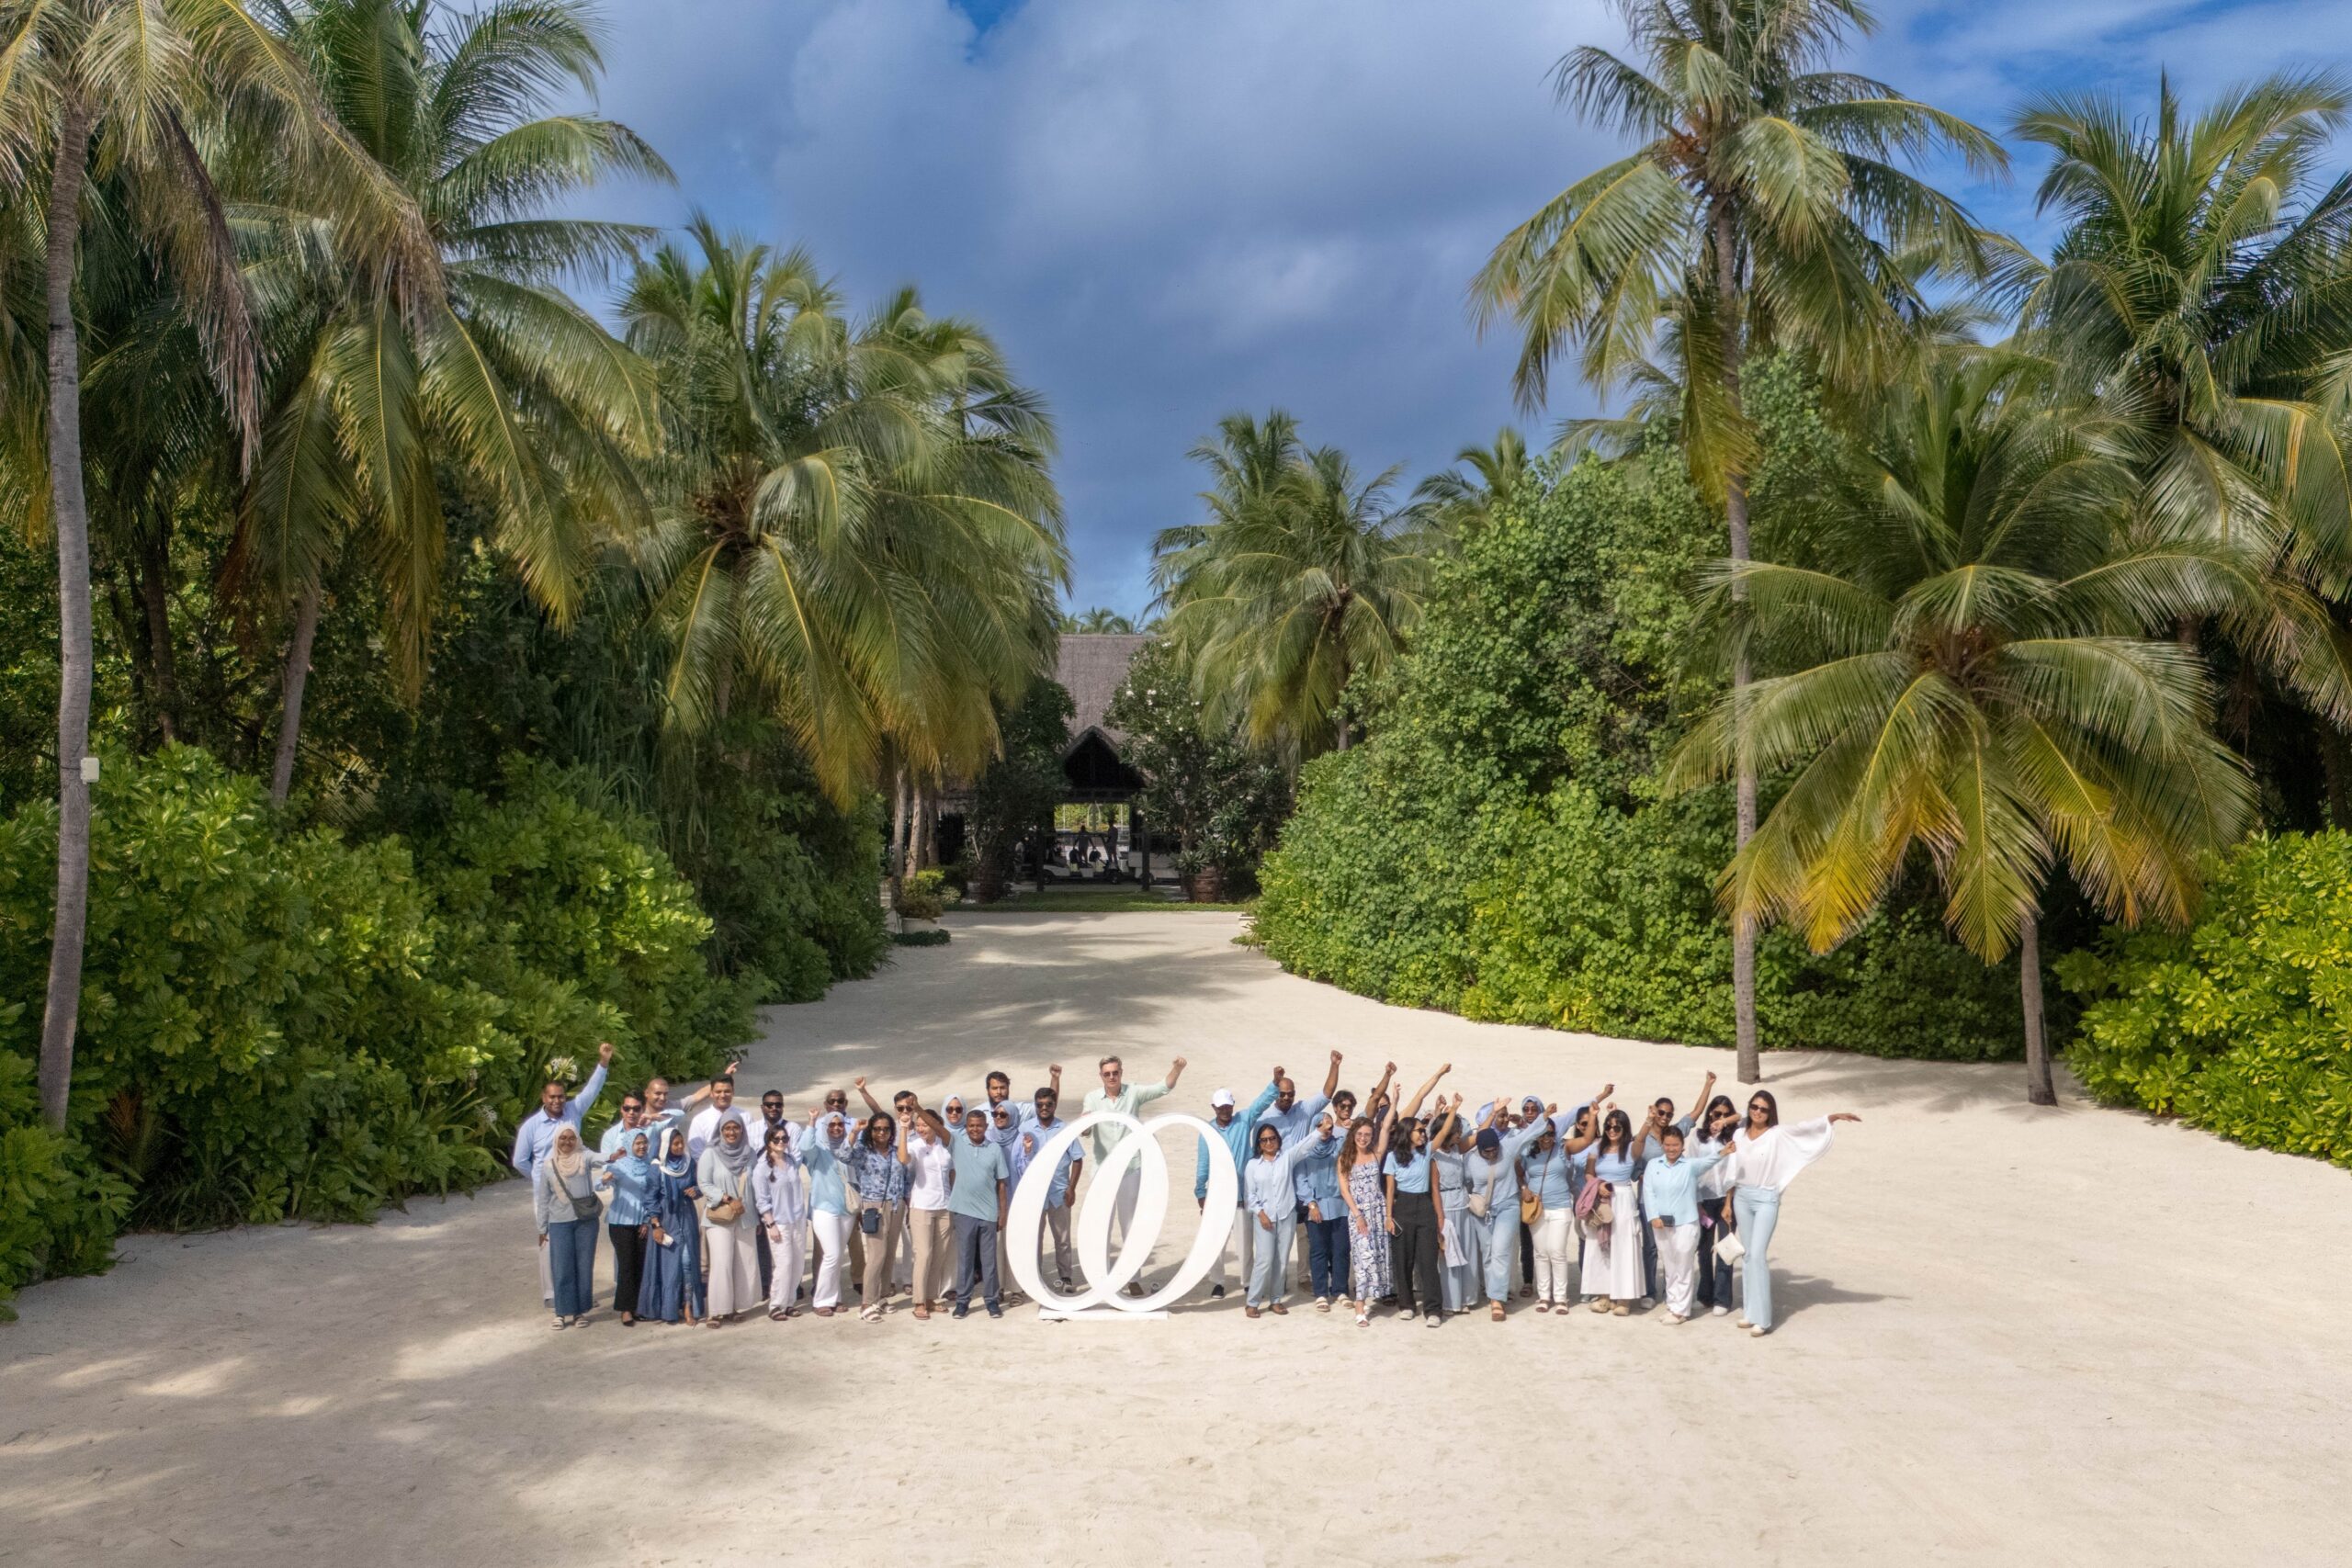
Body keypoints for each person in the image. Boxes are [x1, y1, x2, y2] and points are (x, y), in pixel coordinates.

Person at [1716, 1091, 1860, 1337]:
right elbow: (1732, 1169)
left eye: (1763, 1109)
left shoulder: (1777, 1134)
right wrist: (1728, 1202)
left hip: (1766, 1199)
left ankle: (1763, 1319)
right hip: (1741, 1197)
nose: (1758, 1112)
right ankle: (1750, 1312)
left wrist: (1831, 1118)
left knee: (1758, 1255)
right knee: (1747, 1256)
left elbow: (1804, 1129)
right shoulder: (1739, 1134)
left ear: (1770, 1112)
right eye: (1754, 1107)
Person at [512, 1041, 615, 1306]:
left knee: (578, 1244)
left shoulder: (573, 1111)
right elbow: (520, 1161)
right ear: (543, 1098)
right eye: (552, 1097)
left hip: (578, 1191)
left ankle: (579, 1295)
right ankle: (552, 1294)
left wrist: (603, 1062)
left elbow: (592, 1090)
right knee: (549, 1243)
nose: (557, 1101)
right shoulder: (532, 1127)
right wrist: (540, 1178)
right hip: (547, 1195)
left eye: (561, 1096)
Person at [1081, 1054, 1186, 1292]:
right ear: (1101, 1076)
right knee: (1101, 1226)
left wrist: (1177, 1069)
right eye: (1107, 1074)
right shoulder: (1092, 1098)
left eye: (1115, 1073)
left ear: (1121, 1072)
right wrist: (1085, 1125)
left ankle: (1132, 1278)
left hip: (1130, 1168)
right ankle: (1101, 1279)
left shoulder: (1133, 1092)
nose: (1111, 1077)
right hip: (1102, 1170)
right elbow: (1085, 1131)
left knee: (1129, 1225)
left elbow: (1163, 1087)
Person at [1462, 1095, 1553, 1321]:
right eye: (1487, 1152)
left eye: (1494, 1150)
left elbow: (1528, 1134)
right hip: (1482, 1211)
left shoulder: (1508, 1147)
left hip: (1508, 1206)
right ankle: (1493, 1290)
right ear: (1479, 1149)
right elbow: (1463, 1182)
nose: (1492, 1154)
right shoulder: (1470, 1159)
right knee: (1488, 1253)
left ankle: (1497, 1300)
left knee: (1501, 1250)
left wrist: (1545, 1116)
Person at [1196, 1072, 1282, 1299]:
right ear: (1214, 1107)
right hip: (1217, 1196)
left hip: (1241, 1196)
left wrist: (1274, 1084)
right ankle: (1217, 1281)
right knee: (1216, 1243)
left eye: (1228, 1106)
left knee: (1244, 1244)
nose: (1225, 1110)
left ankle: (1247, 1281)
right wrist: (1201, 1193)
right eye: (1221, 1107)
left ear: (1232, 1105)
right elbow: (1203, 1164)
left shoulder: (1243, 1120)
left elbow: (1260, 1104)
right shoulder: (1207, 1131)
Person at [1638, 1119, 1727, 1323]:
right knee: (1669, 1267)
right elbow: (1648, 1192)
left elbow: (1709, 1161)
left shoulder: (1689, 1165)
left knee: (1683, 1265)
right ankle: (1673, 1304)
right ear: (1662, 1144)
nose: (1671, 1149)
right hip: (1661, 1223)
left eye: (1675, 1145)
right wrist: (1653, 1216)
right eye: (1668, 1145)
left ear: (1682, 1145)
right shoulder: (1653, 1165)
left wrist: (1725, 1151)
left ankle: (1681, 1311)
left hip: (1686, 1223)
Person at [1244, 1114, 1330, 1317]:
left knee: (1282, 1260)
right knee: (1264, 1260)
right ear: (1259, 1144)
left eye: (1272, 1138)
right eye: (1264, 1140)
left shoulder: (1287, 1158)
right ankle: (1253, 1301)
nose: (1269, 1143)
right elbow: (1250, 1195)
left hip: (1286, 1215)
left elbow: (1304, 1146)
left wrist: (1320, 1130)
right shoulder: (1252, 1166)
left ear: (1278, 1139)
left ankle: (1276, 1300)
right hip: (1264, 1218)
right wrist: (1261, 1214)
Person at [1010, 1085, 1083, 1292]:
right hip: (1034, 1195)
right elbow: (1018, 1160)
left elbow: (1077, 1159)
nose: (1044, 1108)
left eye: (1048, 1104)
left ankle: (1066, 1277)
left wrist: (1072, 1188)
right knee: (1035, 1238)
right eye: (1040, 1104)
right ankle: (1036, 1278)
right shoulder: (1025, 1129)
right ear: (1035, 1105)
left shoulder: (1065, 1129)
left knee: (1063, 1239)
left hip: (1059, 1192)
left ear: (1055, 1105)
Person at [1380, 1106, 1445, 1327]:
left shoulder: (1426, 1152)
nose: (1423, 1134)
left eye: (1424, 1131)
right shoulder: (1392, 1157)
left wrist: (1454, 1108)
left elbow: (1443, 1133)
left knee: (1428, 1260)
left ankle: (1433, 1309)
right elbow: (1390, 1189)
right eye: (1419, 1130)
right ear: (1408, 1132)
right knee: (1403, 1259)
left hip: (1424, 1206)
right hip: (1403, 1207)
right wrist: (1389, 1216)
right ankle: (1406, 1305)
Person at [534, 1125, 605, 1328]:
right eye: (563, 1138)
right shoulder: (549, 1165)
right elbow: (543, 1199)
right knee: (562, 1267)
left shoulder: (584, 1157)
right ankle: (561, 1312)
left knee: (584, 1266)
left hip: (586, 1221)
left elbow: (602, 1158)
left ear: (577, 1140)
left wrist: (616, 1154)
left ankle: (580, 1312)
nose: (567, 1142)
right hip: (559, 1222)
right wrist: (542, 1228)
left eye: (571, 1138)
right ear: (556, 1140)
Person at [697, 1117, 762, 1327]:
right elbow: (703, 1183)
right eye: (727, 1128)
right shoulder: (710, 1153)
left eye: (736, 1128)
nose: (732, 1132)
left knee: (743, 1263)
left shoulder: (750, 1153)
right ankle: (715, 1311)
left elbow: (756, 1184)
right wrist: (727, 1198)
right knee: (721, 1263)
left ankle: (733, 1307)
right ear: (720, 1130)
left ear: (742, 1130)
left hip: (745, 1215)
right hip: (720, 1216)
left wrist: (759, 1216)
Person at [1581, 1106, 1645, 1315]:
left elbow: (1642, 1139)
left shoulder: (1631, 1148)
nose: (1611, 1130)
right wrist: (1598, 1184)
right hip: (1601, 1198)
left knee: (1623, 1246)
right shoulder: (1596, 1147)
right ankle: (1604, 1296)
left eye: (1617, 1127)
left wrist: (1649, 1120)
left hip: (1623, 1198)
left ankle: (1624, 1299)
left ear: (1624, 1129)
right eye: (1608, 1126)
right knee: (1600, 1247)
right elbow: (1588, 1173)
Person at [843, 1111, 907, 1322]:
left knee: (889, 1254)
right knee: (876, 1255)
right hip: (874, 1206)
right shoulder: (863, 1151)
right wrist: (854, 1132)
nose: (882, 1133)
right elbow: (843, 1155)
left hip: (896, 1205)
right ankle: (866, 1303)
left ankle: (881, 1296)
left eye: (886, 1129)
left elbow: (905, 1172)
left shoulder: (895, 1151)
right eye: (877, 1128)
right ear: (871, 1131)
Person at [947, 1108, 1010, 1319]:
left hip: (988, 1213)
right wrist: (918, 1108)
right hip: (964, 1211)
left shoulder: (994, 1149)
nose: (975, 1129)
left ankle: (991, 1300)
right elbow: (938, 1128)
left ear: (986, 1126)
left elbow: (1001, 1184)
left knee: (989, 1260)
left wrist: (1002, 1213)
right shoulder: (957, 1143)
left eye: (979, 1125)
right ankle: (962, 1302)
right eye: (971, 1125)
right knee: (965, 1259)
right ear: (966, 1127)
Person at [637, 1129, 704, 1325]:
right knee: (670, 1266)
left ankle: (688, 1306)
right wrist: (656, 1225)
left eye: (681, 1143)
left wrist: (696, 1191)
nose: (680, 1147)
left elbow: (699, 1185)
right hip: (667, 1220)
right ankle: (669, 1307)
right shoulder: (657, 1168)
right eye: (675, 1144)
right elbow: (650, 1198)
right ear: (666, 1145)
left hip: (687, 1217)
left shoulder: (689, 1163)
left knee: (688, 1262)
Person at [1340, 1109, 1396, 1328]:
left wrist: (1394, 1101)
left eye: (1367, 1134)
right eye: (1360, 1134)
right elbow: (1344, 1190)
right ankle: (1359, 1306)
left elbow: (1386, 1127)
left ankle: (1375, 1296)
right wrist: (1358, 1215)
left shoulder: (1376, 1153)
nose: (1363, 1138)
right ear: (1353, 1134)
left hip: (1379, 1210)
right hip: (1359, 1213)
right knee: (1363, 1259)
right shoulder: (1345, 1158)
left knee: (1379, 1255)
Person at [898, 1107, 955, 1319]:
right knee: (923, 1254)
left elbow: (952, 1173)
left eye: (925, 1125)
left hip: (945, 1206)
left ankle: (931, 1297)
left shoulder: (945, 1145)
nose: (921, 1128)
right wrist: (904, 1129)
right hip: (922, 1206)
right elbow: (903, 1158)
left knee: (939, 1256)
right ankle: (919, 1301)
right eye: (919, 1125)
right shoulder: (915, 1145)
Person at [799, 1108, 856, 1317]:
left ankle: (835, 1297)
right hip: (824, 1209)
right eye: (831, 1125)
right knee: (831, 1254)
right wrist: (812, 1121)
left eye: (840, 1124)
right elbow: (805, 1147)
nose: (836, 1128)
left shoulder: (848, 1148)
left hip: (847, 1209)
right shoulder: (818, 1150)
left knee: (837, 1256)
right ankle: (821, 1300)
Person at [1522, 1116, 1581, 1313]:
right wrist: (1523, 1188)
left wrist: (1591, 1114)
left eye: (1550, 1134)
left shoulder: (1563, 1149)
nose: (1546, 1138)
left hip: (1560, 1207)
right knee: (1541, 1253)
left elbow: (1586, 1140)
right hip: (1537, 1208)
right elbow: (1518, 1172)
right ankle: (1544, 1296)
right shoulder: (1528, 1152)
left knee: (1556, 1251)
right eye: (1542, 1134)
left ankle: (1561, 1297)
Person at [597, 1129, 656, 1326]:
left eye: (644, 1143)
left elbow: (652, 1196)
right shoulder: (620, 1166)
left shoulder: (650, 1166)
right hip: (621, 1222)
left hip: (642, 1222)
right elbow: (599, 1185)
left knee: (641, 1264)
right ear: (630, 1145)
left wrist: (647, 1221)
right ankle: (625, 1309)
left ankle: (638, 1306)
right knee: (627, 1265)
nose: (642, 1146)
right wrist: (604, 1179)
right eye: (637, 1143)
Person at [1296, 1105, 1352, 1312]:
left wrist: (1341, 1128)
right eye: (1320, 1125)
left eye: (1328, 1125)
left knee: (1341, 1250)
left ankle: (1340, 1290)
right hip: (1316, 1206)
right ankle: (1320, 1292)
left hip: (1340, 1205)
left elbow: (1353, 1140)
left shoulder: (1339, 1145)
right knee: (1318, 1250)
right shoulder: (1305, 1150)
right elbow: (1300, 1180)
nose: (1325, 1129)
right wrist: (1311, 1204)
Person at [752, 1123, 809, 1321]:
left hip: (797, 1219)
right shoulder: (762, 1168)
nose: (781, 1142)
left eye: (784, 1138)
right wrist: (770, 1224)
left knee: (797, 1264)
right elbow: (762, 1201)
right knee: (784, 1264)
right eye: (776, 1139)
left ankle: (789, 1302)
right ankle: (776, 1304)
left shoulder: (791, 1161)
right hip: (779, 1222)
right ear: (768, 1142)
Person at [1691, 1093, 1742, 1315]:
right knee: (1703, 1250)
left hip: (1725, 1198)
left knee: (1725, 1249)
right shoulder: (1698, 1137)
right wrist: (1697, 1202)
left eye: (1725, 1114)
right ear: (1710, 1112)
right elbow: (1693, 1168)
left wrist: (1729, 1203)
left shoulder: (1734, 1136)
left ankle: (1722, 1299)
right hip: (1704, 1198)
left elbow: (1734, 1172)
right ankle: (1705, 1295)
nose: (1719, 1117)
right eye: (1716, 1113)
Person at [686, 1076, 758, 1163]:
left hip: (741, 1167)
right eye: (718, 1092)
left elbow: (753, 1144)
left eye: (727, 1091)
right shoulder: (699, 1120)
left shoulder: (745, 1116)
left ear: (733, 1092)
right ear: (711, 1093)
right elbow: (696, 1151)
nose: (723, 1095)